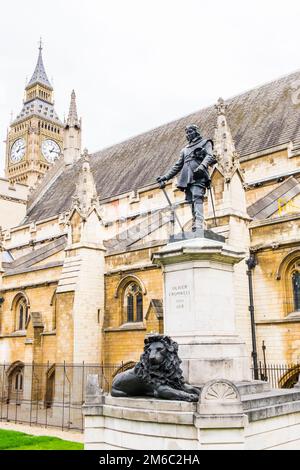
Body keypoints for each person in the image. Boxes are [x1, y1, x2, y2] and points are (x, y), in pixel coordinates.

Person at [157, 124, 215, 232]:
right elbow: (177, 166)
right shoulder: (184, 150)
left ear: (196, 132)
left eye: (190, 131)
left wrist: (202, 166)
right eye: (187, 133)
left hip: (199, 174)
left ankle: (199, 223)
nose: (188, 134)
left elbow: (210, 156)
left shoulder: (205, 142)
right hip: (187, 177)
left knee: (197, 196)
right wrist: (165, 177)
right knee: (192, 200)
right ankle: (195, 222)